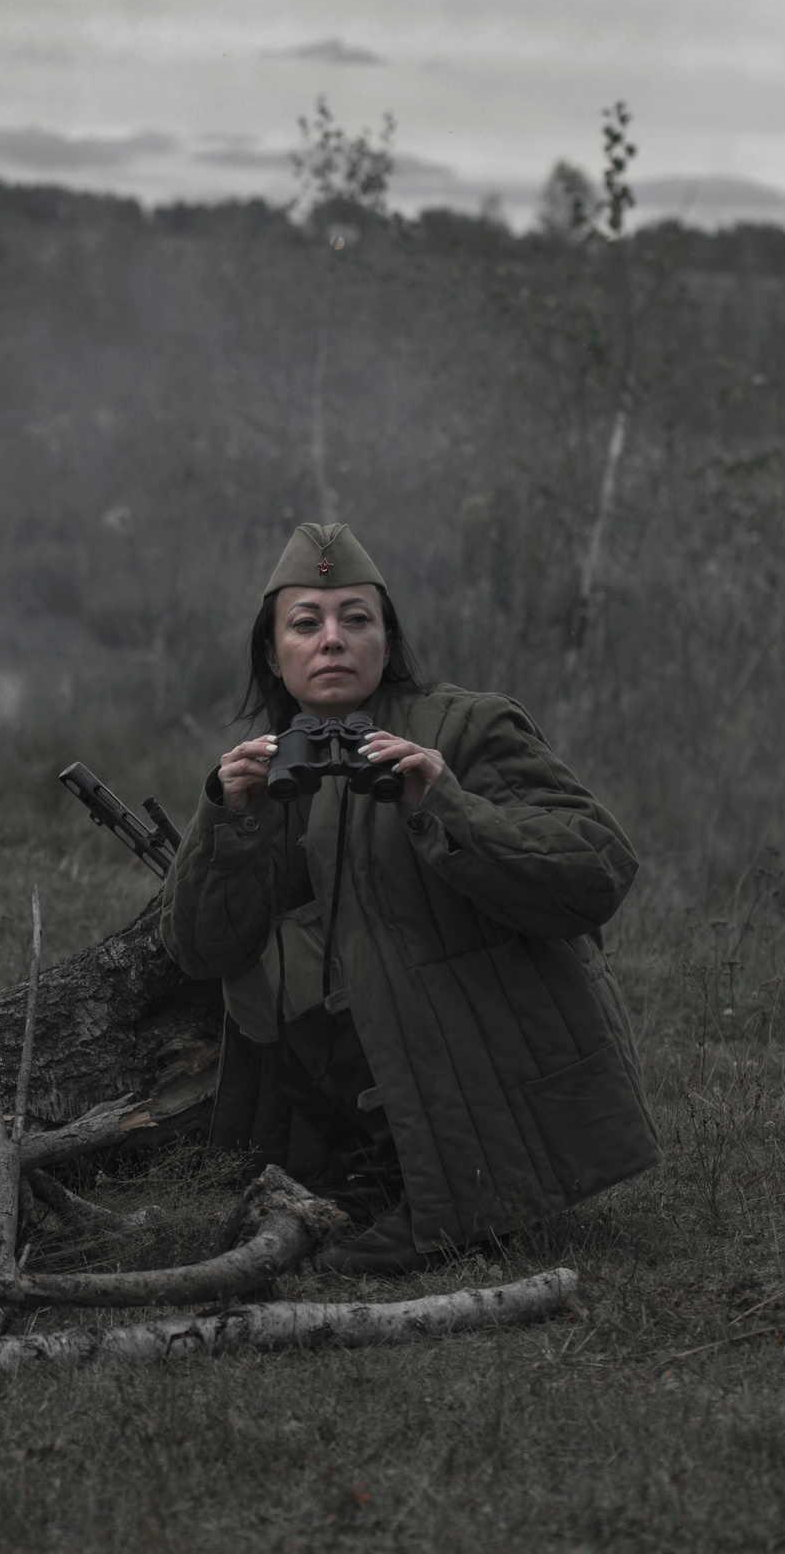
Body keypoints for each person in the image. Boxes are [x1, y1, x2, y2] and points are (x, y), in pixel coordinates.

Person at [161, 522, 654, 1274]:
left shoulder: (468, 726)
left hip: (489, 1085)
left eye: (356, 619)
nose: (333, 640)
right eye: (306, 624)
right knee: (276, 952)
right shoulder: (266, 770)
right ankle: (364, 1175)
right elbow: (202, 948)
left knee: (380, 943)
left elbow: (597, 870)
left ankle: (451, 1199)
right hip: (341, 1100)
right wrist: (227, 819)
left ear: (387, 640)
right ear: (273, 653)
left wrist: (445, 803)